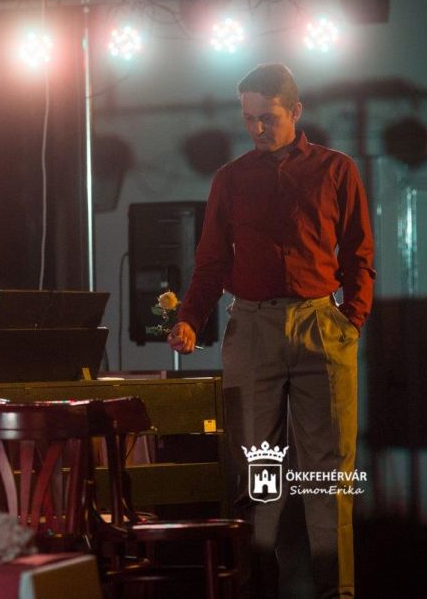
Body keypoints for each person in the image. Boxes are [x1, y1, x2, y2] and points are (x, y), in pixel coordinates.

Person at [168, 63, 374, 598]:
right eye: (249, 118)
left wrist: (351, 319)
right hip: (254, 327)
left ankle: (336, 593)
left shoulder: (336, 169)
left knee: (327, 477)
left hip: (320, 325)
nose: (257, 128)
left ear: (296, 111)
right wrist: (189, 318)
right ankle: (260, 590)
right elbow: (211, 261)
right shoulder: (231, 178)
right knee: (260, 476)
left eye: (268, 117)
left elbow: (359, 252)